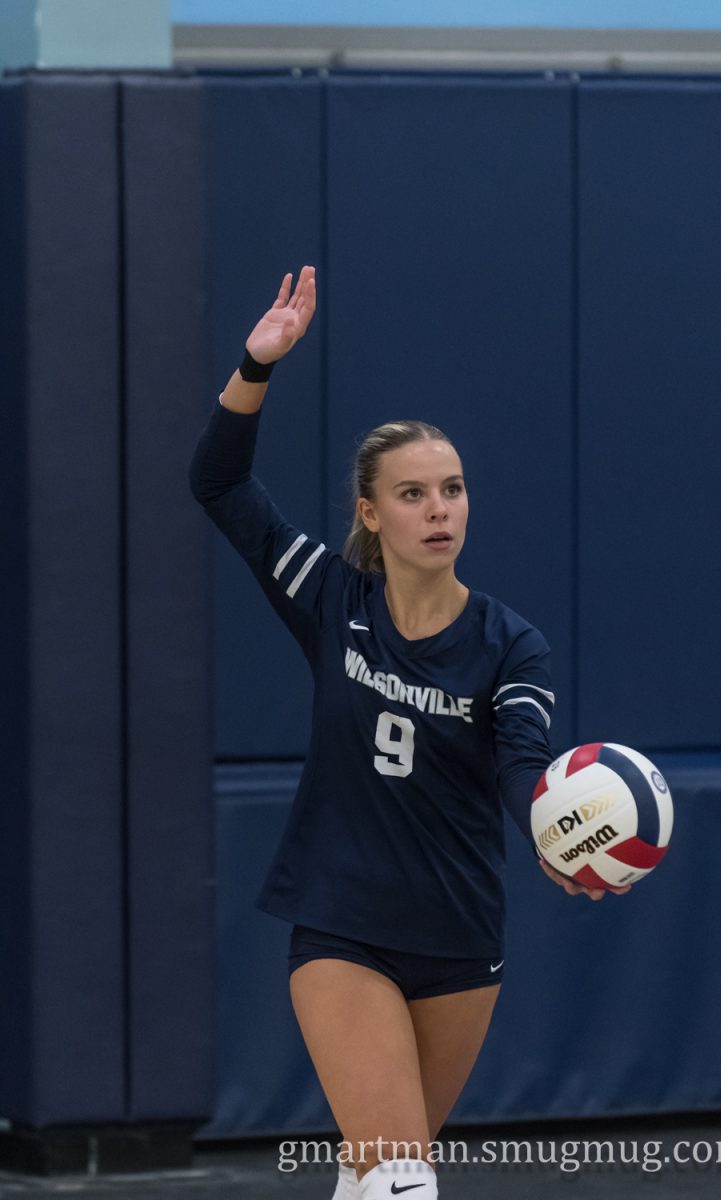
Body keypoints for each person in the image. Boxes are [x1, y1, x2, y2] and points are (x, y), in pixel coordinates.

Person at [189, 266, 630, 1199]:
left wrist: (553, 829)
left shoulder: (512, 645)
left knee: (377, 1176)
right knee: (400, 1179)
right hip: (343, 926)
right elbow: (218, 482)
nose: (439, 510)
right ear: (371, 512)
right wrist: (255, 364)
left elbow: (520, 766)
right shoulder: (331, 595)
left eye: (454, 489)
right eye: (415, 493)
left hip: (461, 937)